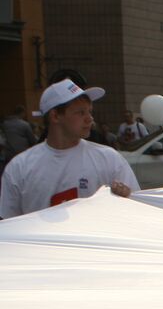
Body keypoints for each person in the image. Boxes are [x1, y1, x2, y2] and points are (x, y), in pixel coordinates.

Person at [0, 79, 138, 218]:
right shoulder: (19, 167)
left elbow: (136, 209)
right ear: (55, 116)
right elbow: (9, 224)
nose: (90, 119)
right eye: (80, 112)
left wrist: (125, 200)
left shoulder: (109, 158)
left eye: (89, 112)